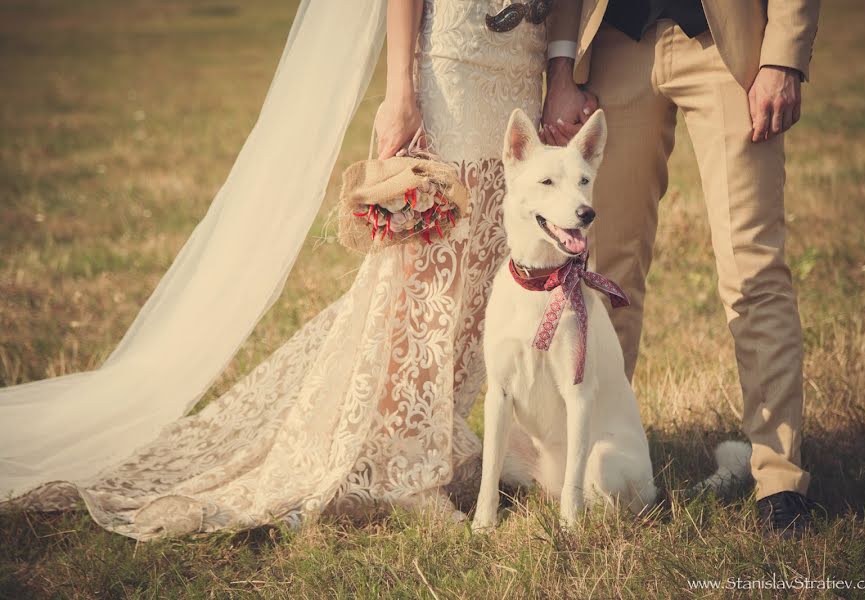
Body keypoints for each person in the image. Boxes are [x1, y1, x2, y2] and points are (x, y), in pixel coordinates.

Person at [0, 0, 546, 540]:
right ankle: (407, 469)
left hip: (525, 69)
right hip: (453, 65)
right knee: (427, 272)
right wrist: (400, 89)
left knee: (480, 275)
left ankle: (434, 435)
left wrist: (562, 66)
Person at [541, 0, 821, 536]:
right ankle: (601, 465)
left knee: (752, 268)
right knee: (603, 276)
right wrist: (561, 66)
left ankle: (780, 480)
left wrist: (783, 56)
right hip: (614, 46)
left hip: (727, 45)